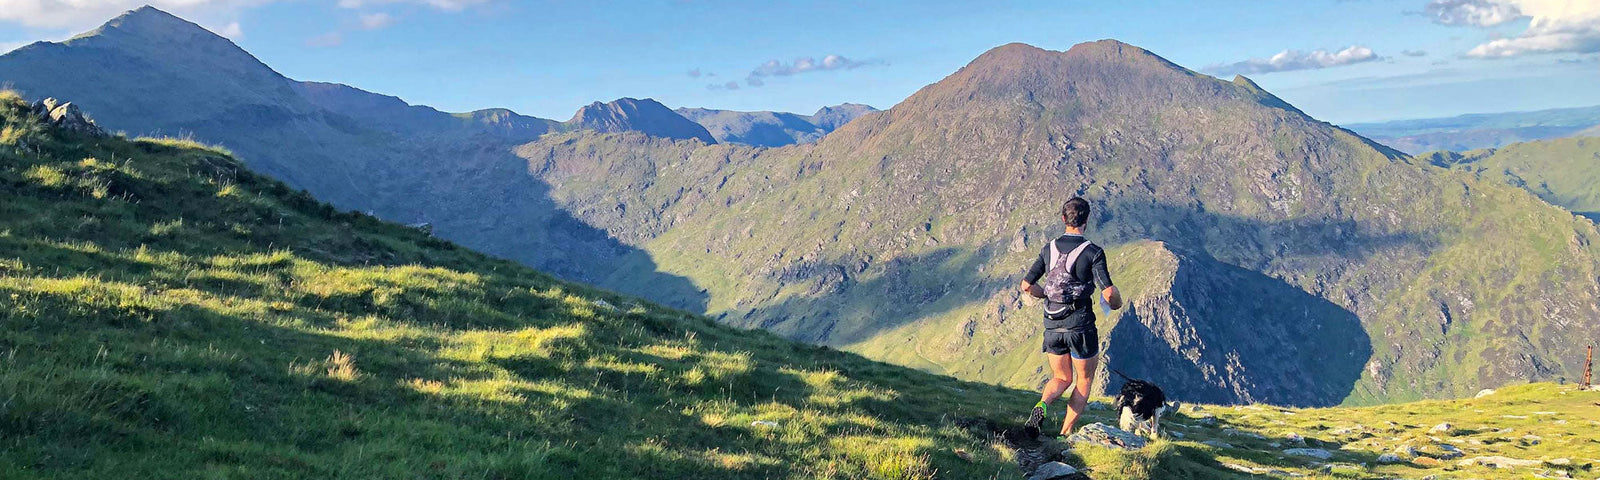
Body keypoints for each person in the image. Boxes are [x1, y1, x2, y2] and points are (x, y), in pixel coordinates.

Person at [1019, 196, 1122, 437]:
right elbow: (1108, 291)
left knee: (1061, 377)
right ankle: (1065, 433)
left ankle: (1041, 406)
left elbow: (1026, 285)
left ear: (1063, 218)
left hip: (1052, 324)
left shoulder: (1049, 249)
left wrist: (1045, 294)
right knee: (1083, 380)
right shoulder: (1093, 252)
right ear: (1086, 220)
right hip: (1080, 325)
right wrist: (1116, 302)